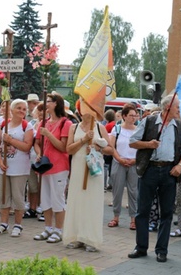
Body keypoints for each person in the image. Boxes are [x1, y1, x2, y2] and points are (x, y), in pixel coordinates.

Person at [127, 94, 181, 263]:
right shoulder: (149, 121)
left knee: (167, 212)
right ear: (168, 107)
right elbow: (132, 142)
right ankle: (140, 247)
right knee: (143, 211)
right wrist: (148, 144)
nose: (179, 110)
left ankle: (162, 250)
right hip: (150, 170)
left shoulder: (180, 126)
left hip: (170, 171)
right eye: (177, 107)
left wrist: (180, 166)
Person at [63, 100, 113, 252]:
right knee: (77, 200)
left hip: (94, 170)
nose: (86, 112)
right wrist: (83, 140)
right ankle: (75, 236)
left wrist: (97, 147)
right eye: (83, 109)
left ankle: (91, 238)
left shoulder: (100, 127)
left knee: (92, 202)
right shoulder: (73, 127)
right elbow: (69, 150)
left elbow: (110, 149)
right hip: (78, 167)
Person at [0, 99, 34, 237]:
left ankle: (18, 224)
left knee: (18, 196)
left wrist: (11, 141)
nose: (22, 111)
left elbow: (27, 147)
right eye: (19, 108)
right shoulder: (3, 124)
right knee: (4, 195)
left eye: (24, 109)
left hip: (19, 168)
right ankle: (3, 224)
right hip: (3, 167)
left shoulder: (27, 127)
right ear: (12, 110)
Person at [33, 93, 72, 244]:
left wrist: (48, 134)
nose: (46, 104)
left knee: (58, 198)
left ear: (56, 103)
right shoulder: (44, 122)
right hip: (44, 166)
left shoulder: (65, 123)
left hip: (59, 166)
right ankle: (48, 227)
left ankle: (59, 229)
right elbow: (37, 143)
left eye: (48, 101)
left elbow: (63, 147)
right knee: (46, 199)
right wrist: (38, 153)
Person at [107, 103, 139, 231]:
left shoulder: (138, 130)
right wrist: (119, 158)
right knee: (117, 190)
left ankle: (134, 219)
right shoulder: (117, 129)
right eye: (131, 115)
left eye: (135, 115)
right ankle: (116, 217)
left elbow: (141, 149)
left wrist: (135, 160)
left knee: (133, 191)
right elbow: (111, 146)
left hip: (133, 163)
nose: (134, 118)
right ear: (124, 116)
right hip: (118, 162)